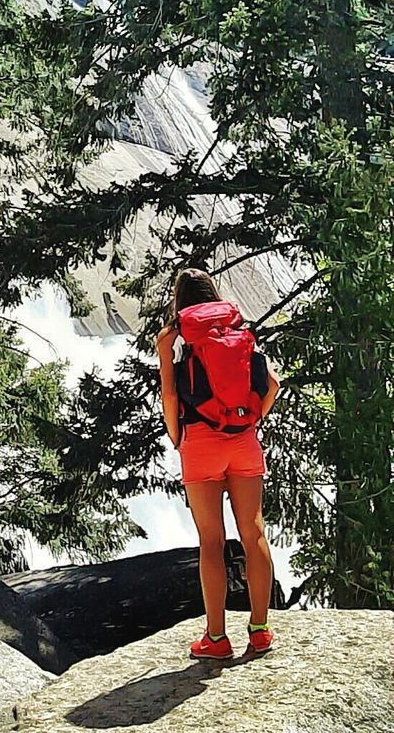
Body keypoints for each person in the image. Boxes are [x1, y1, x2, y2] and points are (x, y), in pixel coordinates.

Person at [157, 267, 281, 660]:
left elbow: (171, 397)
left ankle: (216, 638)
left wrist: (179, 437)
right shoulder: (238, 339)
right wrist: (251, 420)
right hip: (244, 440)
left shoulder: (184, 347)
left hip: (201, 445)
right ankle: (260, 630)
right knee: (254, 534)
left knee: (211, 543)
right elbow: (273, 384)